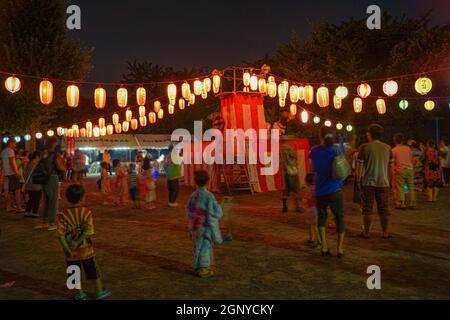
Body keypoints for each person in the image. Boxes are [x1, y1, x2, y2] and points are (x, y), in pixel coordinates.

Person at [56, 184, 111, 300]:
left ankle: (80, 294)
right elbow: (89, 231)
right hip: (86, 249)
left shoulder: (63, 214)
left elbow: (60, 234)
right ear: (82, 198)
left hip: (70, 252)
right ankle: (99, 292)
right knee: (93, 270)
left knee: (74, 271)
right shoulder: (86, 212)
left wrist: (67, 247)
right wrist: (78, 241)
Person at [309, 126, 346, 258]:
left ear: (320, 136)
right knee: (339, 218)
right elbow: (342, 166)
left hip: (320, 189)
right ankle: (340, 249)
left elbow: (312, 169)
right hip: (336, 189)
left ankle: (324, 247)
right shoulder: (337, 150)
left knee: (322, 218)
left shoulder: (314, 151)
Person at [356, 124, 393, 239]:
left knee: (367, 208)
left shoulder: (365, 147)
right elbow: (390, 168)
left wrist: (358, 180)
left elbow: (359, 166)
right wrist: (390, 182)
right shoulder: (388, 148)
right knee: (384, 208)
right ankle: (385, 232)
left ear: (369, 134)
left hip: (368, 182)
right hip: (383, 182)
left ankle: (366, 232)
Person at [186, 171, 223, 278]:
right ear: (207, 181)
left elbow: (188, 210)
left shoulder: (193, 195)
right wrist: (219, 211)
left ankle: (198, 266)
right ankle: (203, 268)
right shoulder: (209, 196)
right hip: (205, 226)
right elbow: (214, 213)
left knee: (197, 245)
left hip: (195, 226)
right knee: (205, 247)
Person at [36, 137, 66, 231]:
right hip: (52, 177)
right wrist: (64, 167)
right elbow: (61, 168)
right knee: (53, 200)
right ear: (54, 143)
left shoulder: (44, 154)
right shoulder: (54, 155)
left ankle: (44, 222)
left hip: (43, 178)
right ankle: (52, 222)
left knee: (45, 200)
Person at [392, 133, 416, 210]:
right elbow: (412, 159)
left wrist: (393, 172)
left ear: (395, 141)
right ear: (402, 141)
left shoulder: (394, 150)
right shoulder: (408, 149)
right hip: (409, 169)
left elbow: (392, 162)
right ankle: (412, 203)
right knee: (411, 187)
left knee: (400, 187)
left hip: (400, 170)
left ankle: (401, 203)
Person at [1, 139, 24, 213]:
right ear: (10, 143)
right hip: (12, 173)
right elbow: (11, 162)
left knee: (9, 191)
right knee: (17, 190)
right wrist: (16, 173)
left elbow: (1, 163)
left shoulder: (3, 151)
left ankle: (9, 207)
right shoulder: (10, 151)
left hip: (6, 173)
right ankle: (19, 207)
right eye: (15, 144)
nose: (15, 145)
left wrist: (3, 172)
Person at [281, 143, 304, 213]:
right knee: (296, 190)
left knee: (286, 190)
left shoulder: (281, 149)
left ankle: (284, 207)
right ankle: (297, 207)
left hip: (285, 172)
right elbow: (294, 155)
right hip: (292, 171)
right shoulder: (289, 148)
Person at [303, 173, 321, 249]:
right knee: (312, 225)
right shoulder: (317, 188)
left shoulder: (309, 189)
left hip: (312, 210)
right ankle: (312, 239)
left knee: (313, 226)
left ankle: (318, 242)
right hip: (314, 209)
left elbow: (306, 198)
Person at [24, 151, 42, 218]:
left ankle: (27, 211)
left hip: (29, 184)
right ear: (37, 157)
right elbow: (38, 174)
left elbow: (25, 174)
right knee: (36, 199)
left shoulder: (28, 163)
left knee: (31, 199)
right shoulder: (35, 165)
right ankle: (34, 212)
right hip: (36, 184)